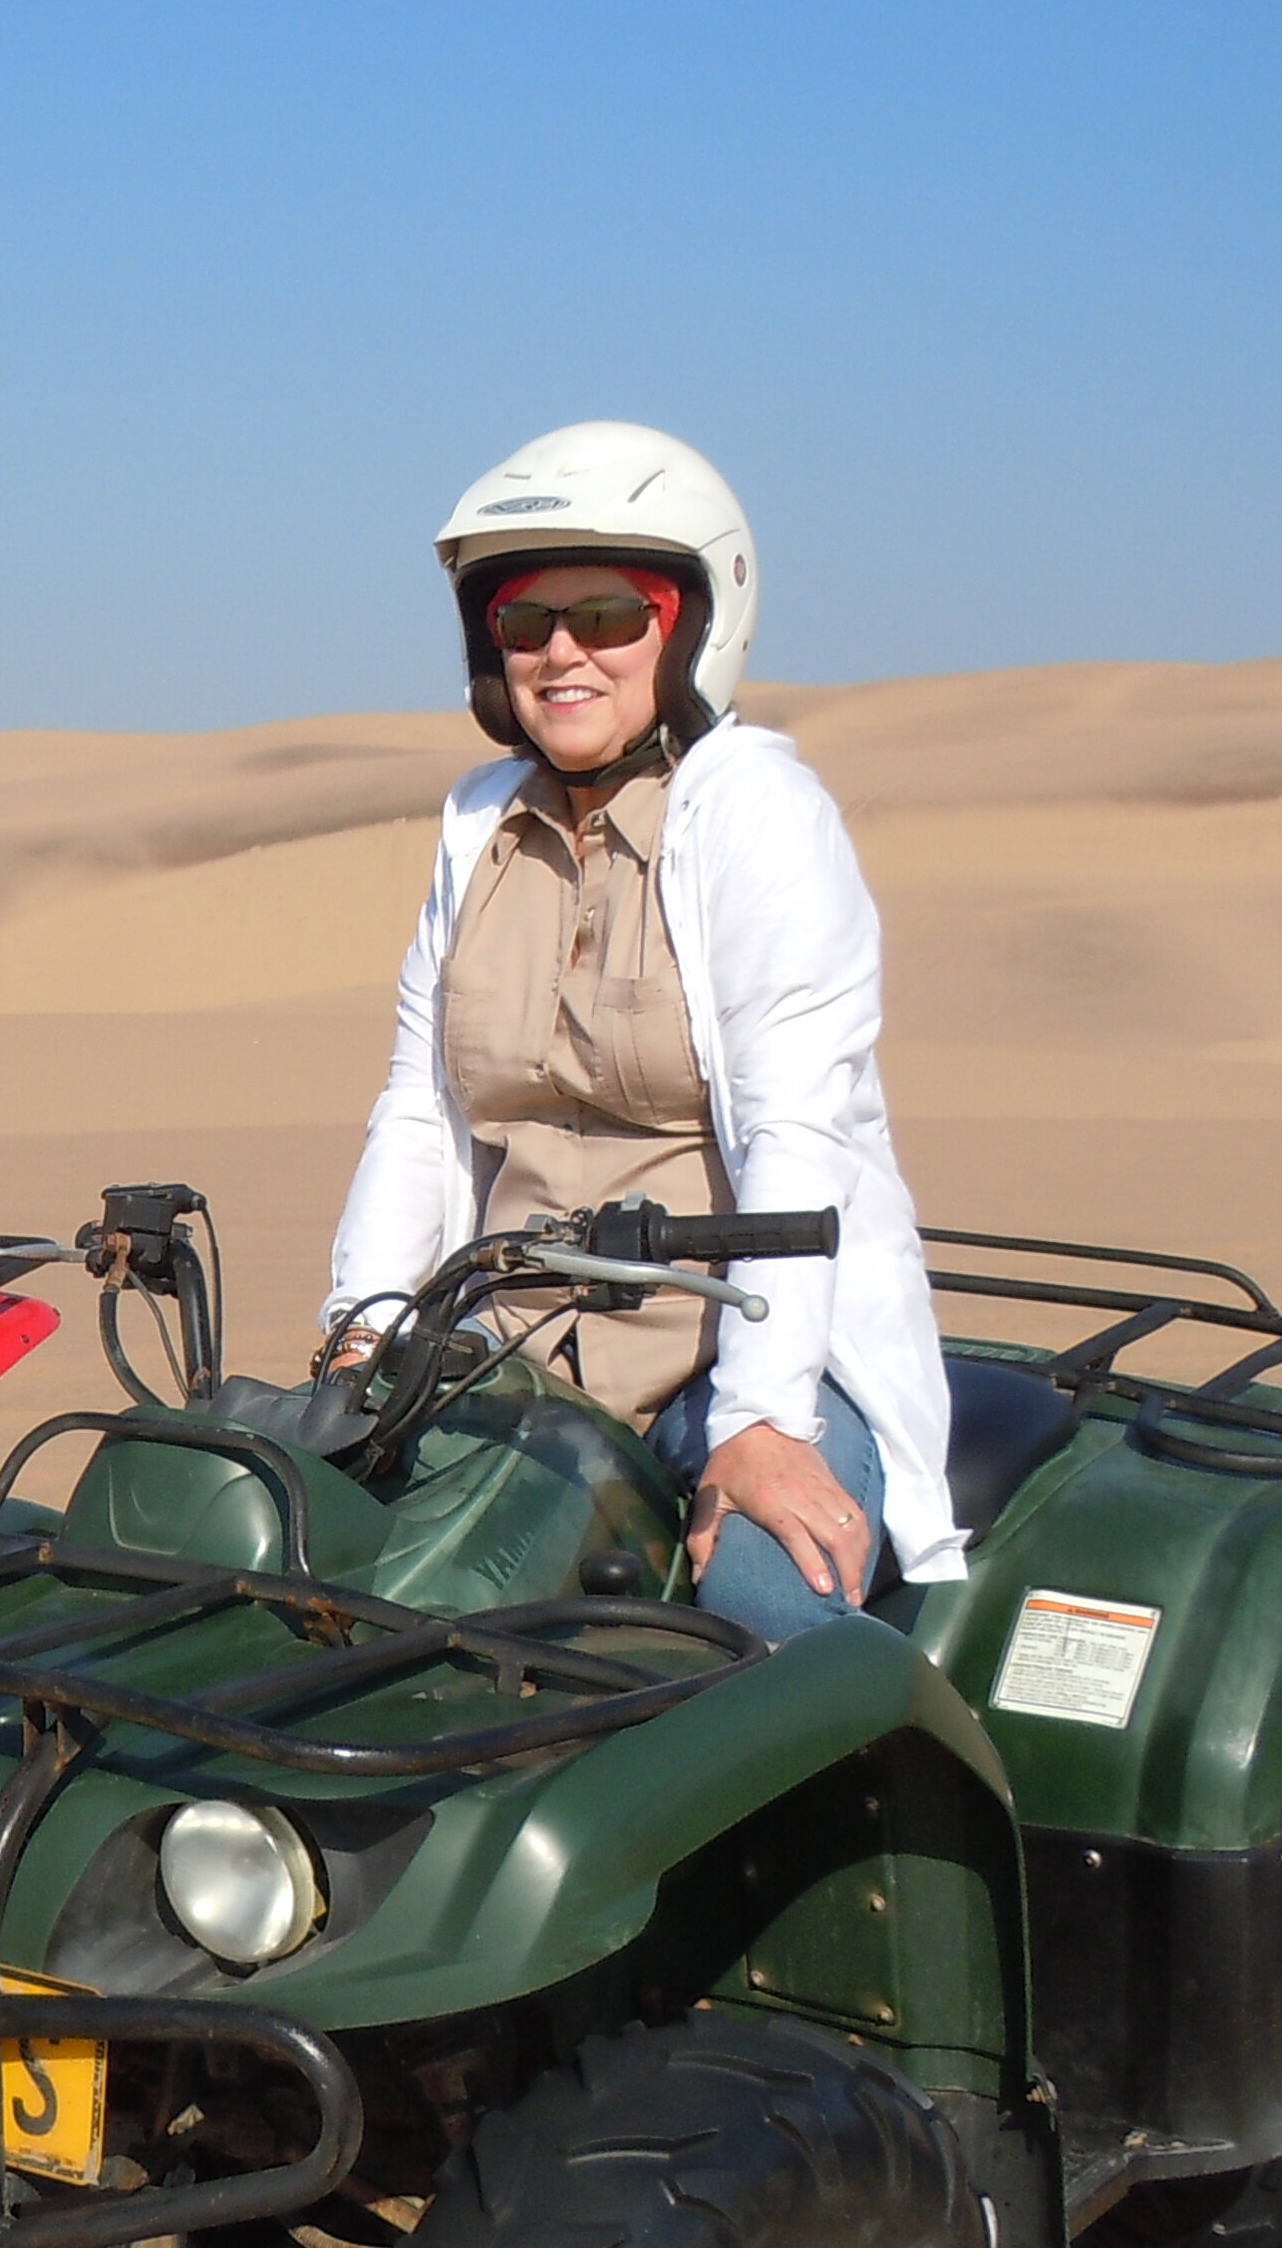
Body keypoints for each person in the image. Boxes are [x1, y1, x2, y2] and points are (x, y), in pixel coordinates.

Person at [321, 422, 960, 1639]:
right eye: (525, 621)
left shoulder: (753, 810)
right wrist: (363, 1335)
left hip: (727, 1354)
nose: (563, 652)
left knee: (767, 1616)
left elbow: (795, 1125)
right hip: (505, 1359)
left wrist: (763, 1423)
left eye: (610, 616)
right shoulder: (478, 827)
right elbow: (421, 1109)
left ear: (691, 628)